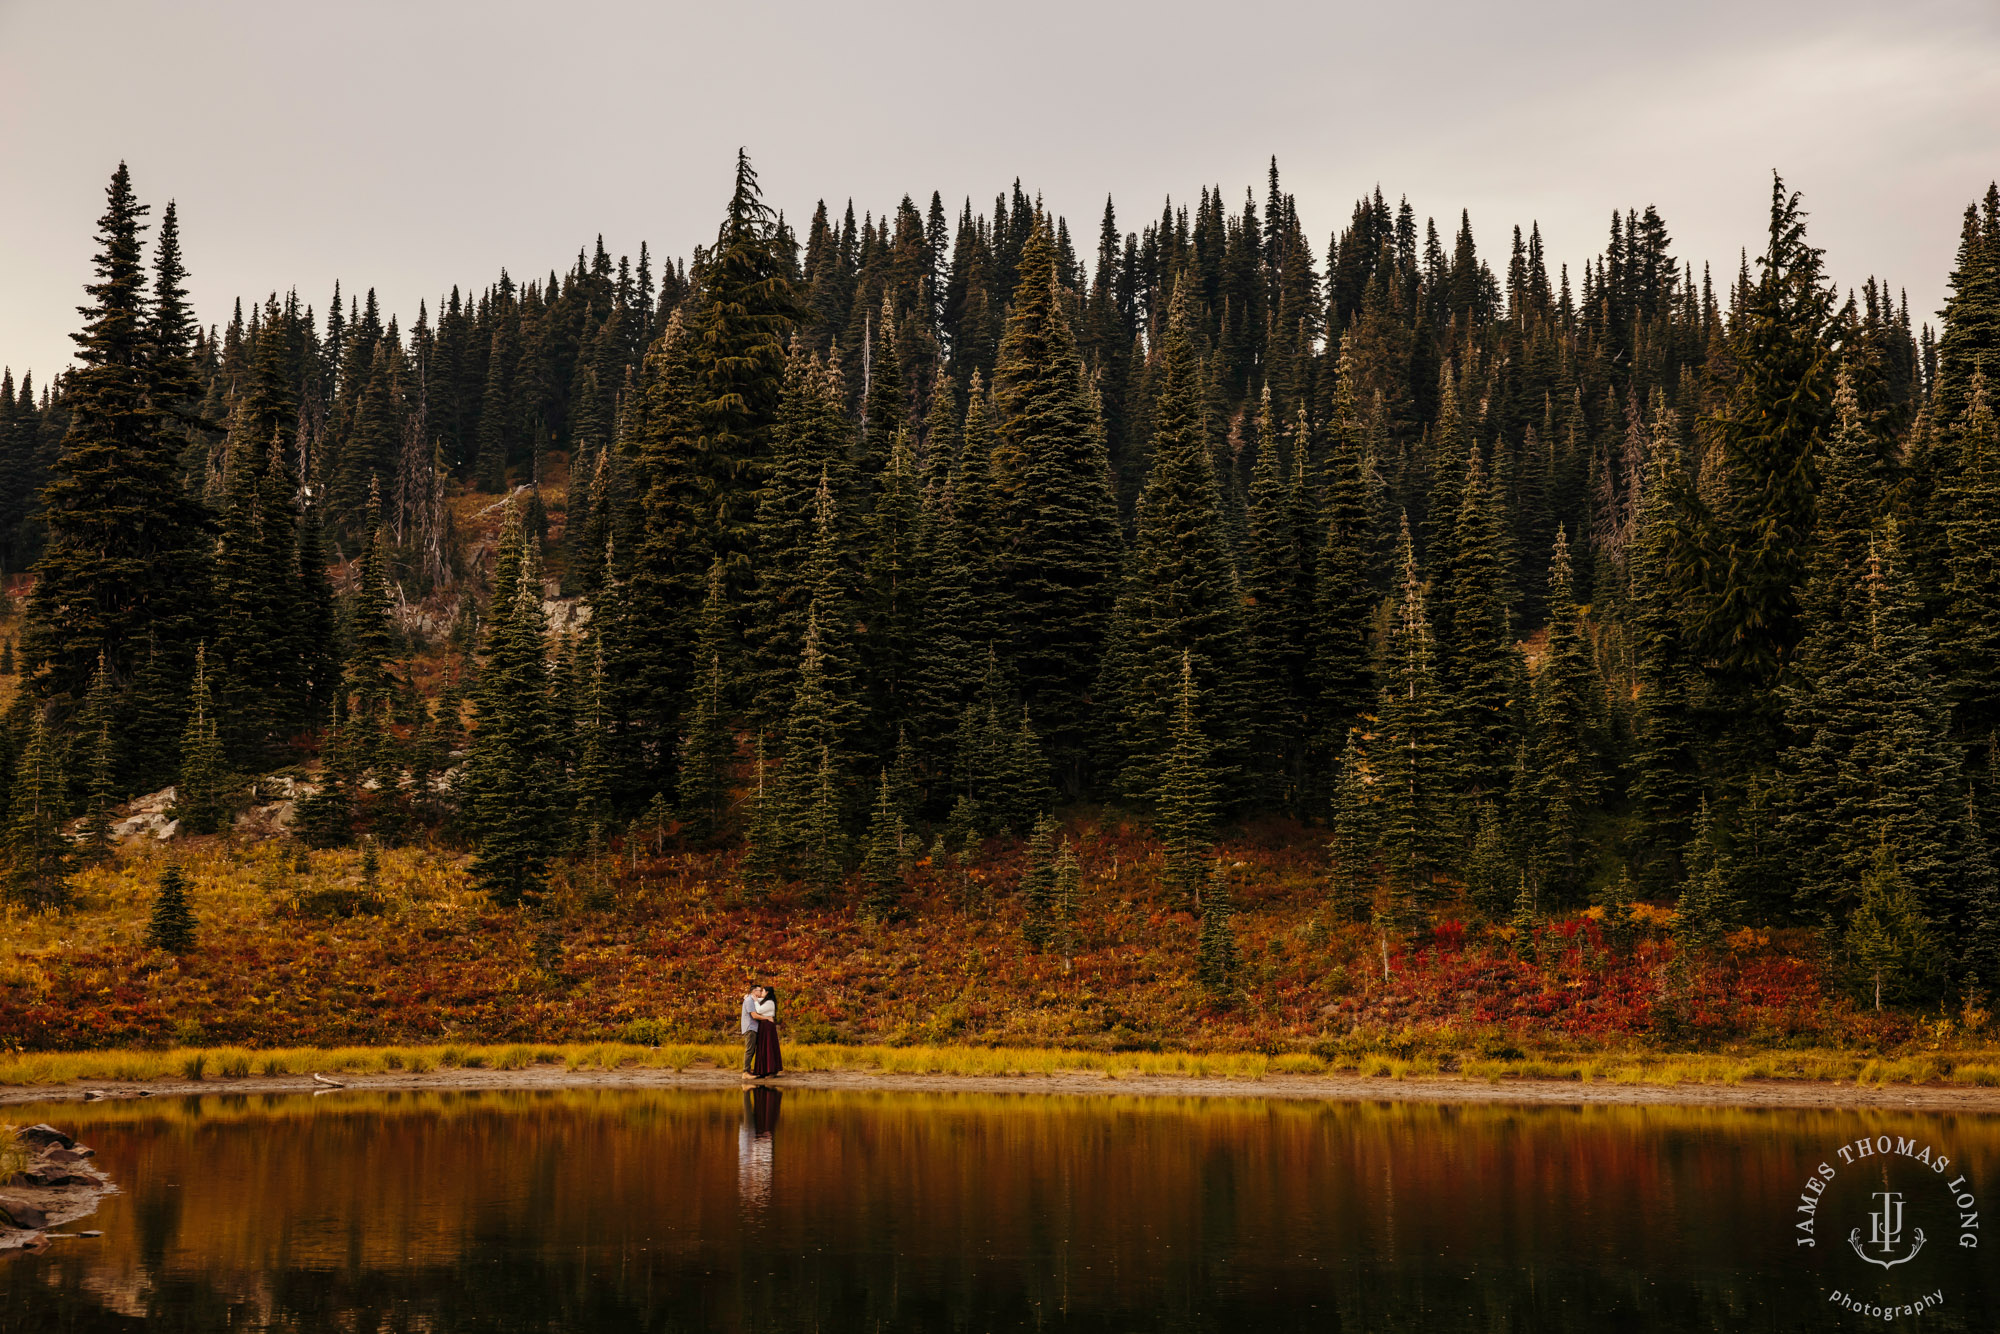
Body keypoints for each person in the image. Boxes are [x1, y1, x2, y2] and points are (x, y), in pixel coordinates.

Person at [750, 983, 784, 1079]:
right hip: (764, 1026)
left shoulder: (770, 1002)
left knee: (768, 1047)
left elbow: (759, 1010)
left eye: (763, 991)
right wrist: (749, 997)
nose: (761, 993)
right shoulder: (766, 1000)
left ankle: (771, 1070)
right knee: (763, 1047)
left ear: (767, 992)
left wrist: (755, 1001)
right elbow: (756, 999)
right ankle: (763, 1070)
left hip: (768, 1026)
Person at [739, 984, 767, 1079]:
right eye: (759, 990)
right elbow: (754, 1015)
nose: (760, 992)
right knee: (749, 1050)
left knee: (752, 1050)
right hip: (750, 1027)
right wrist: (766, 1018)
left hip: (753, 1027)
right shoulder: (749, 1000)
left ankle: (748, 1070)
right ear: (754, 991)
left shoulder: (751, 1000)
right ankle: (745, 1072)